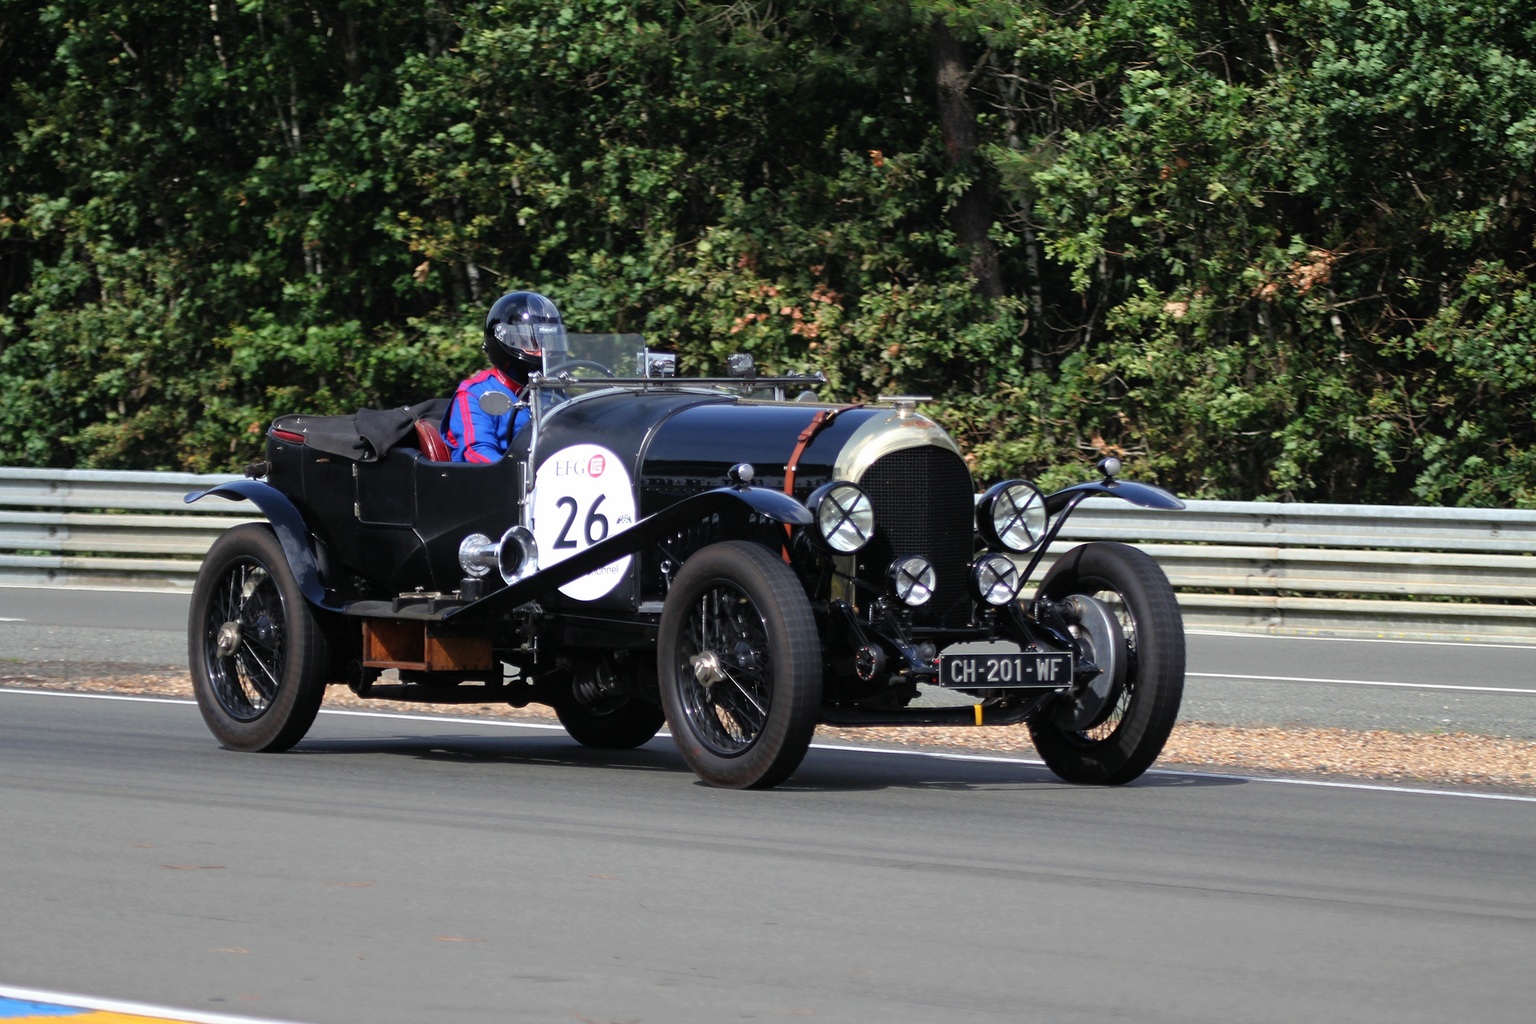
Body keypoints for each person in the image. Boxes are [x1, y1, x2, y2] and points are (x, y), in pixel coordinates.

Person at [441, 290, 566, 463]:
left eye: (549, 342)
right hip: (500, 485)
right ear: (504, 340)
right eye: (532, 343)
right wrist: (520, 476)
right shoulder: (474, 394)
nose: (544, 352)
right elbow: (476, 452)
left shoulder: (552, 391)